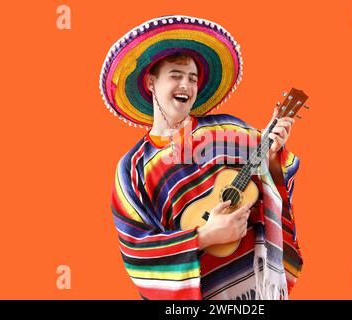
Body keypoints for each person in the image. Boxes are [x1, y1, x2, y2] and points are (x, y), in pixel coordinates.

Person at [100, 15, 303, 300]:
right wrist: (205, 236)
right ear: (150, 82)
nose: (186, 84)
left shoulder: (229, 131)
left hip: (254, 291)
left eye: (192, 78)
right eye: (175, 75)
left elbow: (274, 185)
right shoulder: (132, 171)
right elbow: (137, 252)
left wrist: (271, 157)